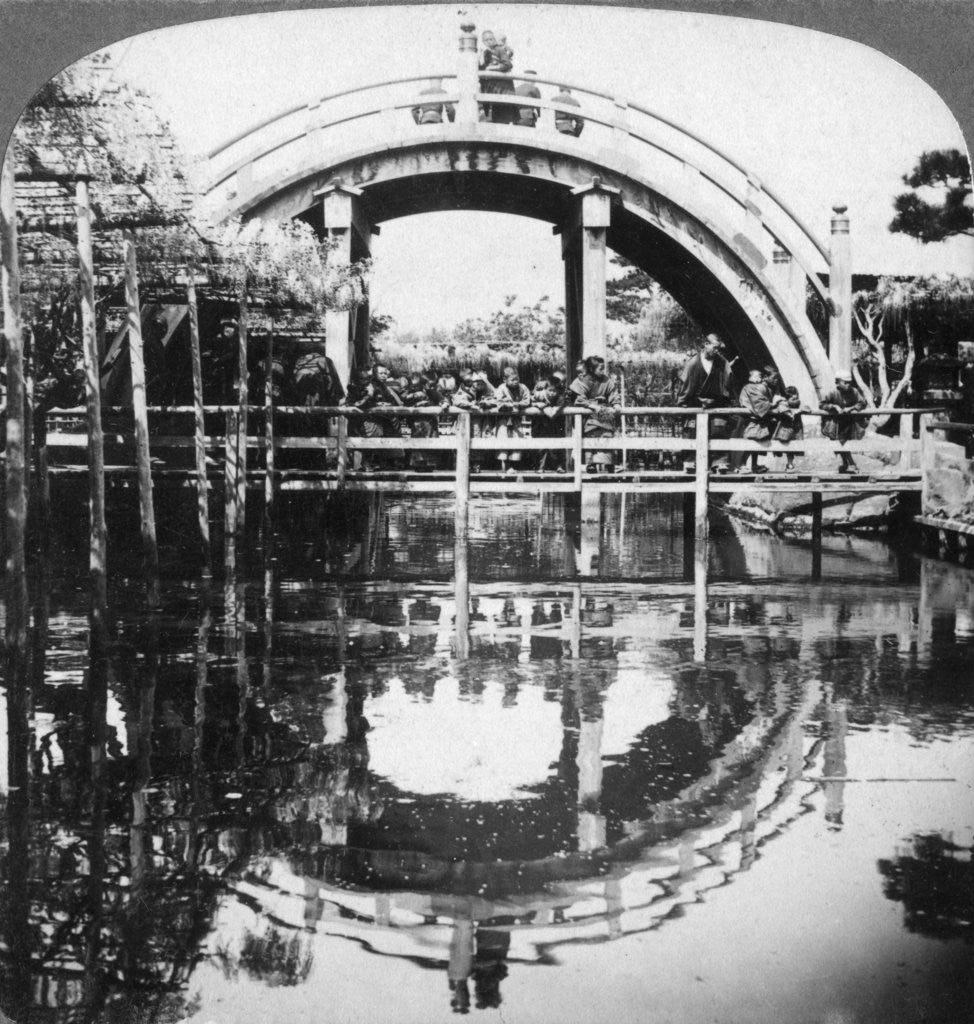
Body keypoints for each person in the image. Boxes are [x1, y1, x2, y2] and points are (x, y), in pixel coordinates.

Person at [676, 333, 738, 471]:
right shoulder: (693, 363)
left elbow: (728, 384)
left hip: (716, 403)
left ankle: (719, 462)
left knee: (718, 428)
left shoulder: (722, 363)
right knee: (692, 429)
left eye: (718, 349)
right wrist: (687, 402)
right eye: (714, 347)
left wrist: (724, 399)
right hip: (695, 403)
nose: (716, 351)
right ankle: (690, 461)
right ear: (706, 345)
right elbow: (685, 386)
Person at [569, 355, 620, 472]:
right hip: (588, 417)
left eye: (604, 369)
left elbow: (613, 396)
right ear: (591, 369)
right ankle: (590, 464)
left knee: (606, 436)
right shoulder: (581, 381)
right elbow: (579, 399)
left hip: (603, 416)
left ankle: (609, 464)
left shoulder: (607, 381)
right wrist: (592, 405)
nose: (603, 371)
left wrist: (616, 404)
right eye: (600, 369)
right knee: (590, 438)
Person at [821, 372, 867, 473]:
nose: (848, 385)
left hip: (850, 422)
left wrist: (851, 408)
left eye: (849, 382)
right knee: (838, 443)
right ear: (838, 382)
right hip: (835, 423)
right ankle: (848, 463)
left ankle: (850, 464)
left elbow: (862, 402)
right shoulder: (832, 392)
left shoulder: (854, 391)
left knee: (844, 443)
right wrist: (834, 406)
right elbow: (822, 404)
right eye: (845, 382)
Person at [492, 366, 532, 474]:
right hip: (503, 419)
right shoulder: (501, 388)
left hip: (516, 418)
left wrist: (518, 404)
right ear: (505, 380)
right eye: (512, 380)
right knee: (503, 439)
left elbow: (527, 400)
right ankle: (505, 465)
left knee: (517, 438)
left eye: (517, 379)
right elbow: (498, 401)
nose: (515, 382)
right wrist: (507, 405)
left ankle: (515, 465)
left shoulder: (523, 387)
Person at [738, 368, 774, 473]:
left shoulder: (759, 387)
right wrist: (772, 404)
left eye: (760, 376)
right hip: (752, 419)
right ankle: (742, 465)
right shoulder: (748, 387)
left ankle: (754, 465)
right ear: (750, 377)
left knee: (757, 442)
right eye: (757, 376)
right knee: (750, 442)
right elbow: (758, 402)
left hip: (759, 418)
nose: (760, 378)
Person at [531, 374, 566, 472]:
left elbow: (552, 413)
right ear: (545, 389)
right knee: (540, 446)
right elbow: (530, 400)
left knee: (555, 446)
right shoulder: (539, 395)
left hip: (554, 424)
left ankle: (558, 466)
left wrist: (543, 407)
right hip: (540, 424)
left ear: (558, 391)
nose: (552, 393)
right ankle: (540, 467)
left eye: (554, 391)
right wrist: (537, 404)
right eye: (550, 390)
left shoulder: (560, 399)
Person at [479, 31, 515, 123]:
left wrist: (491, 68)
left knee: (501, 119)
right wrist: (479, 58)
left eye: (491, 39)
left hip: (502, 89)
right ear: (483, 42)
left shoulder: (499, 49)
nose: (489, 42)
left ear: (494, 39)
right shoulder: (485, 53)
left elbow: (507, 64)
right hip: (491, 89)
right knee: (490, 119)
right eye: (486, 40)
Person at [772, 384, 805, 472]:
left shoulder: (798, 404)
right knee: (783, 443)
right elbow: (782, 409)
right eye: (792, 397)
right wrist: (790, 414)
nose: (795, 399)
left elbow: (807, 408)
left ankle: (790, 464)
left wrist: (799, 410)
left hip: (796, 426)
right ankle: (787, 462)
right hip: (785, 426)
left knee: (792, 445)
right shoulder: (783, 403)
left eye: (796, 396)